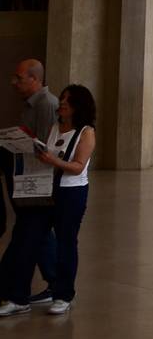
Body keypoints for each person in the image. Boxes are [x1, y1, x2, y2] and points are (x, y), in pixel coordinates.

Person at [0, 84, 94, 317]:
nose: (61, 103)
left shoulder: (86, 132)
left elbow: (77, 167)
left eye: (67, 101)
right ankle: (18, 297)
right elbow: (49, 156)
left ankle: (63, 295)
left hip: (71, 194)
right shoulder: (55, 127)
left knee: (66, 243)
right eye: (62, 99)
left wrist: (52, 160)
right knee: (29, 240)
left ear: (77, 107)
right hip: (46, 192)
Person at [3, 57, 57, 297]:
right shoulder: (30, 104)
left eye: (19, 78)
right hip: (26, 178)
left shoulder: (46, 104)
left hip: (37, 181)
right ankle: (56, 283)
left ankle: (13, 287)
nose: (14, 82)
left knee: (29, 232)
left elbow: (45, 146)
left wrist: (20, 143)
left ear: (34, 79)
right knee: (38, 234)